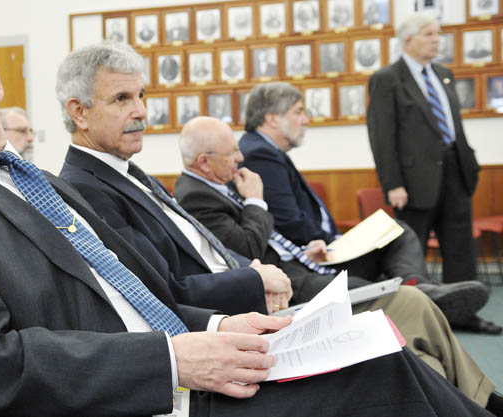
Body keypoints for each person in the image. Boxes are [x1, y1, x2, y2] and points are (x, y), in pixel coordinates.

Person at [0, 12, 494, 417]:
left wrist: (225, 325)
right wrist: (176, 359)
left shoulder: (47, 186)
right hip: (138, 395)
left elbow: (150, 292)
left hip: (190, 365)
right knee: (377, 376)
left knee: (377, 348)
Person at [174, 116, 502, 410]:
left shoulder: (221, 184)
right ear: (204, 162)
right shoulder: (198, 195)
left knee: (411, 310)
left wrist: (304, 249)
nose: (240, 157)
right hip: (288, 287)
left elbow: (261, 242)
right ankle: (480, 398)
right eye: (231, 152)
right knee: (406, 307)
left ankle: (473, 400)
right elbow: (246, 247)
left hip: (299, 266)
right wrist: (256, 200)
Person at [240, 81, 500, 335]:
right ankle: (422, 295)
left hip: (320, 250)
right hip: (310, 257)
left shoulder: (266, 150)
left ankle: (420, 288)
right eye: (299, 111)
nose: (306, 120)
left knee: (396, 231)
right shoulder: (260, 154)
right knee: (372, 282)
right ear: (272, 118)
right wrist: (337, 244)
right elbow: (288, 220)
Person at [59, 42, 290, 316]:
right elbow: (162, 290)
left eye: (140, 95)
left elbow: (203, 248)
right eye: (122, 98)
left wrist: (256, 270)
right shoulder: (83, 189)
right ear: (79, 113)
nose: (141, 111)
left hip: (242, 294)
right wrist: (256, 280)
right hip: (213, 324)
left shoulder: (131, 172)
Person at [366, 13, 494, 331]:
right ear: (408, 40)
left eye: (438, 34)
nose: (437, 40)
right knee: (413, 252)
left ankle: (464, 313)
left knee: (460, 246)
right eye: (429, 34)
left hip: (456, 173)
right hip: (412, 182)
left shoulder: (443, 74)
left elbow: (453, 128)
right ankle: (417, 318)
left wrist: (469, 164)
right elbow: (382, 136)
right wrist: (392, 182)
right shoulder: (387, 78)